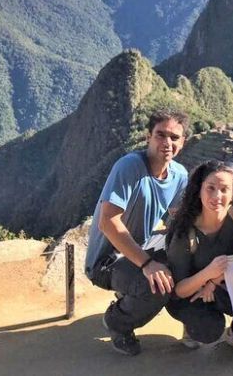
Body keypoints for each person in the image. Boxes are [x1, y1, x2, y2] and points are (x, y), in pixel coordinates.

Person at [84, 109, 190, 356]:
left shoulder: (179, 175)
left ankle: (190, 321)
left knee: (188, 254)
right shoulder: (129, 166)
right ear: (148, 137)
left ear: (182, 142)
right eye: (160, 135)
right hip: (107, 260)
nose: (167, 142)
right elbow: (108, 222)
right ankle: (117, 322)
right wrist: (148, 264)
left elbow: (176, 219)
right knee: (157, 285)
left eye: (174, 137)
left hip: (140, 246)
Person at [165, 160, 233, 360]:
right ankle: (190, 323)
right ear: (199, 189)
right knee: (208, 330)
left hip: (224, 282)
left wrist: (214, 280)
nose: (217, 196)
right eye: (210, 188)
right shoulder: (185, 228)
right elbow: (179, 289)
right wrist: (207, 275)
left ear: (232, 192)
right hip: (191, 292)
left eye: (224, 189)